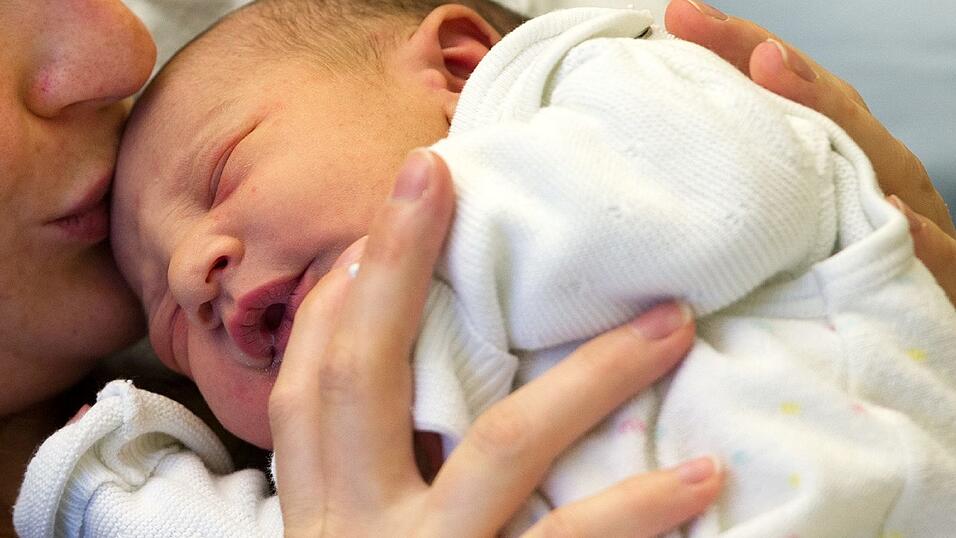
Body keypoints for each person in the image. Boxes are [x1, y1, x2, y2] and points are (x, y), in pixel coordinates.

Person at [17, 0, 956, 535]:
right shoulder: (337, 473)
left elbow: (741, 188)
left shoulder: (583, 92)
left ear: (463, 69)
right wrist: (109, 485)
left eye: (225, 169)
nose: (191, 273)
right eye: (174, 330)